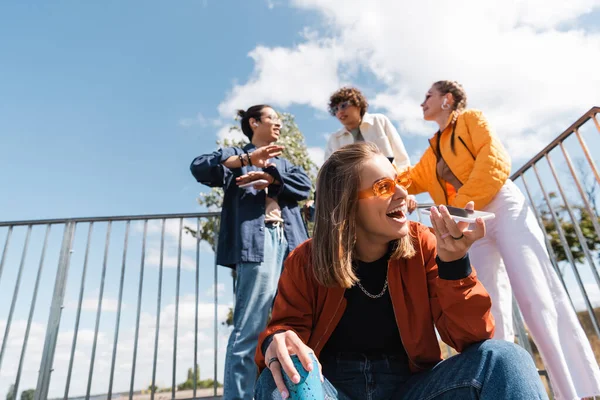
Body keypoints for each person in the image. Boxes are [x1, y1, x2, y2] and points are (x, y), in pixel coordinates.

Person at [254, 142, 548, 400]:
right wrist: (274, 341)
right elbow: (286, 329)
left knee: (506, 358)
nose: (403, 193)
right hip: (330, 388)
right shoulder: (305, 259)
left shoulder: (424, 243)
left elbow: (471, 337)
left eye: (398, 182)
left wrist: (455, 264)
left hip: (414, 388)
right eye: (384, 187)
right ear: (347, 205)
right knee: (278, 375)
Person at [404, 80, 600, 399]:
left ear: (447, 100)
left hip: (501, 205)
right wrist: (387, 184)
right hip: (470, 218)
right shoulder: (432, 151)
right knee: (488, 310)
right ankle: (504, 391)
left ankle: (579, 393)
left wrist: (460, 205)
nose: (422, 102)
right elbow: (410, 179)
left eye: (428, 96)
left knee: (537, 298)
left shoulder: (473, 120)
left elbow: (494, 164)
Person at [190, 105, 311, 400]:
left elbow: (305, 185)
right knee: (250, 328)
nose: (279, 124)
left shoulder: (283, 164)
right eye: (272, 118)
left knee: (299, 322)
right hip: (258, 245)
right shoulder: (234, 157)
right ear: (254, 122)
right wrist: (245, 159)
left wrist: (271, 178)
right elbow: (200, 167)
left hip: (292, 243)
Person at [304, 87, 415, 221]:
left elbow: (401, 159)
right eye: (335, 110)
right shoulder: (335, 139)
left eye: (344, 105)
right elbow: (327, 174)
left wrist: (405, 192)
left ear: (358, 104)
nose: (340, 112)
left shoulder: (379, 121)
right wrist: (316, 201)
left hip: (389, 192)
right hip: (358, 199)